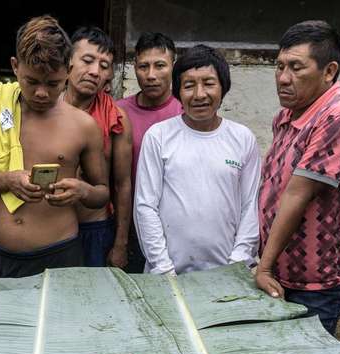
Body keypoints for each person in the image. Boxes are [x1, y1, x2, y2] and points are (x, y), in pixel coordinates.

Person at [0, 16, 109, 278]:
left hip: (61, 254)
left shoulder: (83, 125)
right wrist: (7, 180)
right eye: (31, 81)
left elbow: (102, 193)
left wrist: (82, 190)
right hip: (0, 255)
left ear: (68, 69)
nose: (41, 93)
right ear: (15, 67)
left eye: (52, 83)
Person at [256, 21, 340, 336]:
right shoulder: (288, 114)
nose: (282, 78)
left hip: (316, 278)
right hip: (283, 268)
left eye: (295, 67)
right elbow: (272, 187)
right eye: (279, 66)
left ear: (329, 71)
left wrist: (263, 266)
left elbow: (297, 193)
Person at [134, 45, 260, 275]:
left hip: (228, 275)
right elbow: (145, 206)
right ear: (178, 92)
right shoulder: (158, 136)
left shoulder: (242, 138)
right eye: (189, 85)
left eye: (209, 83)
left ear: (223, 87)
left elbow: (250, 206)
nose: (199, 94)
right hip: (167, 275)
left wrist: (237, 264)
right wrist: (163, 267)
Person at [63, 26, 133, 267]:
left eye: (104, 66)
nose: (94, 71)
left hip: (95, 227)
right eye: (87, 60)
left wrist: (120, 243)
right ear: (68, 61)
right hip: (50, 229)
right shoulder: (44, 109)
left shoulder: (117, 118)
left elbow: (122, 183)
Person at [117, 32, 183, 272]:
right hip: (127, 226)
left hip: (173, 229)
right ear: (134, 67)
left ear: (173, 67)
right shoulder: (119, 112)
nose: (151, 75)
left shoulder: (186, 113)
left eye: (160, 66)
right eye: (144, 66)